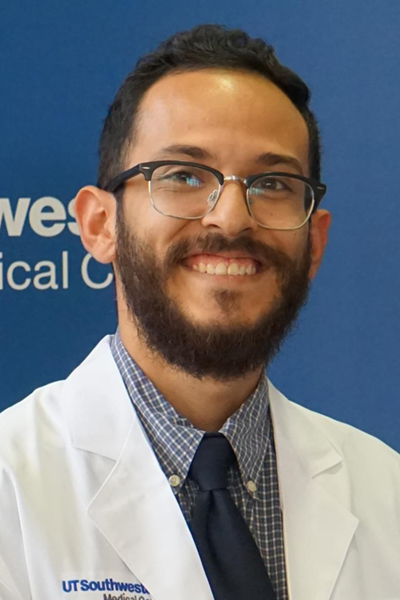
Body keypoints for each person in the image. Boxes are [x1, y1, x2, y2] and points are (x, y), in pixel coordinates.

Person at [0, 24, 399, 600]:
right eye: (184, 175)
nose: (232, 218)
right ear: (98, 225)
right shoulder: (12, 487)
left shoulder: (385, 491)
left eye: (272, 183)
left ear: (314, 243)